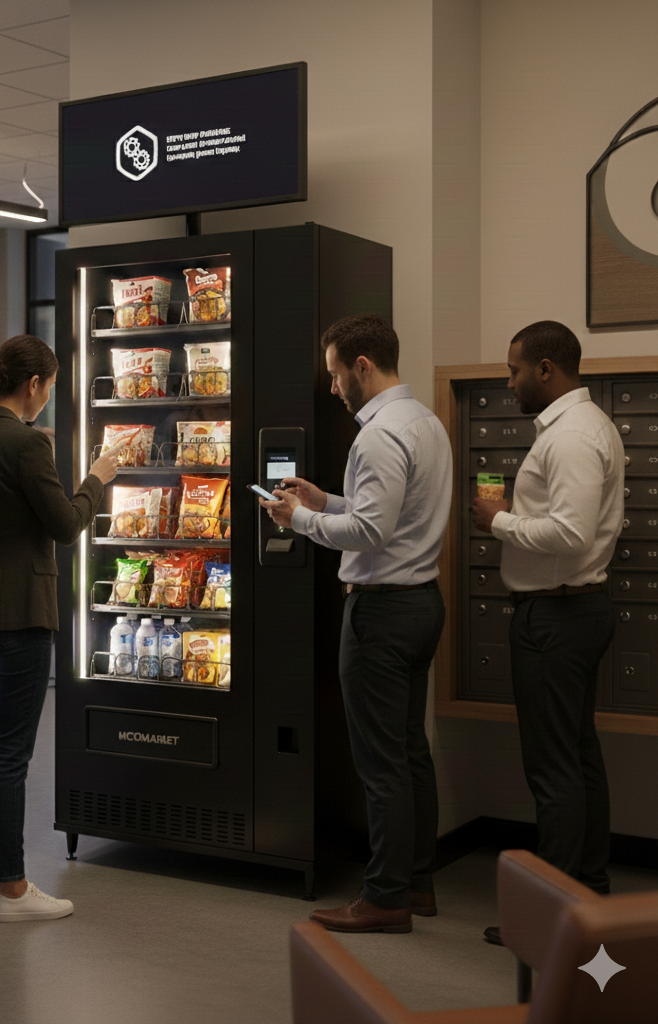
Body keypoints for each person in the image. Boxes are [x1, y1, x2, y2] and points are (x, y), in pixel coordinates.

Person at [260, 314, 452, 934]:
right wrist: (325, 502)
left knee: (380, 762)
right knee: (409, 752)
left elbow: (371, 532)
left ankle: (385, 896)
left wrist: (298, 522)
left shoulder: (375, 438)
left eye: (336, 375)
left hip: (381, 612)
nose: (334, 387)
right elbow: (384, 515)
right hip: (421, 602)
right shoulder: (424, 422)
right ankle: (416, 881)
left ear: (362, 367)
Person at [0, 334, 120, 922]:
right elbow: (67, 523)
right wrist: (98, 476)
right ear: (35, 385)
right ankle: (14, 891)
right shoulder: (26, 445)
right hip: (20, 613)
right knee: (9, 756)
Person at [472, 321, 622, 944]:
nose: (507, 383)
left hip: (557, 618)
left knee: (553, 768)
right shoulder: (585, 428)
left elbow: (569, 534)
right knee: (578, 755)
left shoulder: (572, 437)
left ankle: (552, 919)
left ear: (545, 370)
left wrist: (501, 520)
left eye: (513, 370)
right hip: (573, 611)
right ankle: (588, 890)